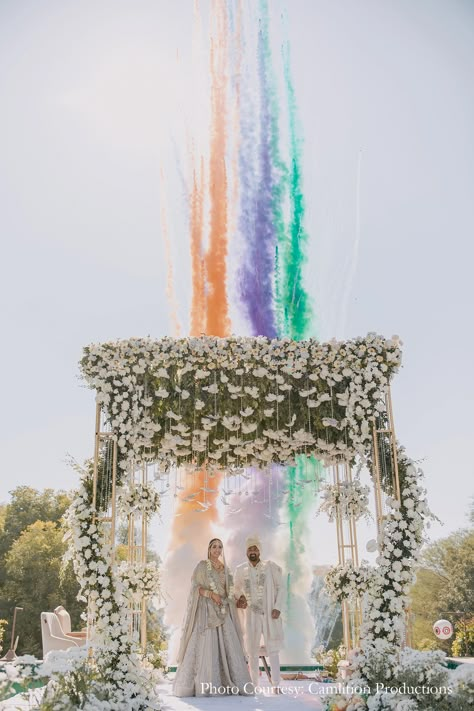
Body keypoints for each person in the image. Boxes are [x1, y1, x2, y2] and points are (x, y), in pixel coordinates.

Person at [173, 538, 252, 697]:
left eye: (220, 547)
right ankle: (205, 685)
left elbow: (229, 593)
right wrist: (211, 594)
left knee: (229, 646)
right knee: (205, 645)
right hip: (206, 612)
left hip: (223, 611)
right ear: (209, 549)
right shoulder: (202, 566)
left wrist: (237, 600)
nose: (217, 550)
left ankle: (226, 682)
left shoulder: (226, 569)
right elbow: (196, 588)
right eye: (214, 547)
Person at [233, 535, 285, 692]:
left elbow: (281, 587)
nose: (252, 551)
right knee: (252, 650)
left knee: (273, 649)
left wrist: (277, 607)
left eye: (255, 548)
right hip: (251, 614)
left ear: (259, 550)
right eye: (250, 549)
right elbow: (235, 589)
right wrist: (240, 597)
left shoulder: (271, 567)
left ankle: (276, 685)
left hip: (270, 613)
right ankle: (254, 685)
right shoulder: (240, 570)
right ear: (246, 552)